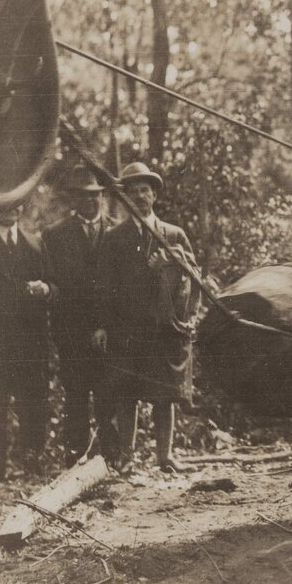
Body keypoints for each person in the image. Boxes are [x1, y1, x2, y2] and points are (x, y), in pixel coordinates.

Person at [95, 162, 200, 474]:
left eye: (145, 190)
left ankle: (164, 456)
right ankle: (127, 457)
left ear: (154, 195)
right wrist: (103, 325)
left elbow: (194, 276)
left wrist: (171, 266)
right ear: (125, 198)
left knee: (164, 395)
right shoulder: (114, 238)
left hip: (164, 329)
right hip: (127, 329)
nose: (140, 196)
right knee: (127, 393)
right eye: (133, 192)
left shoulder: (174, 234)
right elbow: (105, 286)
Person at [43, 165, 117, 468]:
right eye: (83, 195)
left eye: (95, 195)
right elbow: (54, 284)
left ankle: (113, 458)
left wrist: (106, 325)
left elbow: (123, 287)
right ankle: (76, 459)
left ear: (102, 196)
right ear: (73, 198)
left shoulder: (117, 231)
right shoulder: (55, 235)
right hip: (72, 332)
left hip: (110, 332)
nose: (90, 200)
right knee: (75, 395)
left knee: (109, 395)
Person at [0, 203, 52, 481]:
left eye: (16, 201)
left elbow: (54, 283)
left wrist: (46, 289)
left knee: (33, 404)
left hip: (31, 343)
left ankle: (32, 465)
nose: (12, 208)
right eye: (5, 201)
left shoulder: (35, 243)